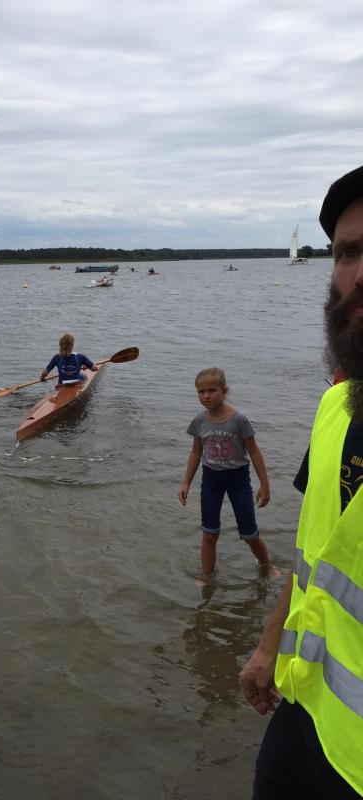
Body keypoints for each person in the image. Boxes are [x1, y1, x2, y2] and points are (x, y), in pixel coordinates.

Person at [239, 165, 363, 799]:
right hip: (302, 715)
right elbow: (314, 558)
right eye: (348, 252)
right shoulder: (334, 407)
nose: (361, 273)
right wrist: (268, 646)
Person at [178, 367, 271, 575]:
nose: (206, 396)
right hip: (211, 479)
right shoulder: (199, 421)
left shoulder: (239, 420)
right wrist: (186, 482)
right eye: (201, 392)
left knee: (249, 534)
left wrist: (265, 484)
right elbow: (196, 453)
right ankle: (207, 579)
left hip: (238, 479)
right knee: (209, 533)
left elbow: (254, 452)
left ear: (224, 391)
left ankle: (267, 566)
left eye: (212, 390)